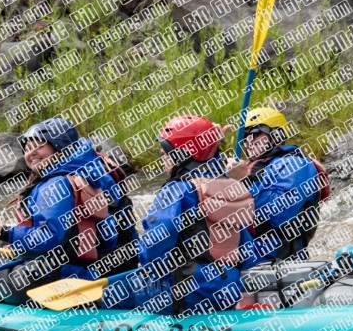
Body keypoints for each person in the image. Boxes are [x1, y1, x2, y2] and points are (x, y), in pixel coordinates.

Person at [104, 115, 256, 314]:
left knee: (112, 297)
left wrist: (146, 267)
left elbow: (153, 247)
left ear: (182, 154)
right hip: (227, 290)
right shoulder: (229, 188)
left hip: (185, 294)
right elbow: (246, 250)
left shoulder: (177, 190)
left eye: (167, 149)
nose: (161, 152)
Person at [0, 117, 138, 299]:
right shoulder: (92, 170)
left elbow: (51, 236)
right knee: (6, 246)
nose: (31, 153)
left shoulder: (55, 184)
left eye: (39, 146)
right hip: (101, 270)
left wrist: (4, 231)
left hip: (66, 276)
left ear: (59, 147)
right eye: (28, 149)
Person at [226, 107, 330, 262]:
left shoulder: (295, 165)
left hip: (277, 258)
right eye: (244, 136)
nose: (247, 141)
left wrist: (245, 181)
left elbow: (282, 215)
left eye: (254, 134)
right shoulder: (242, 167)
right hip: (242, 254)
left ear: (277, 135)